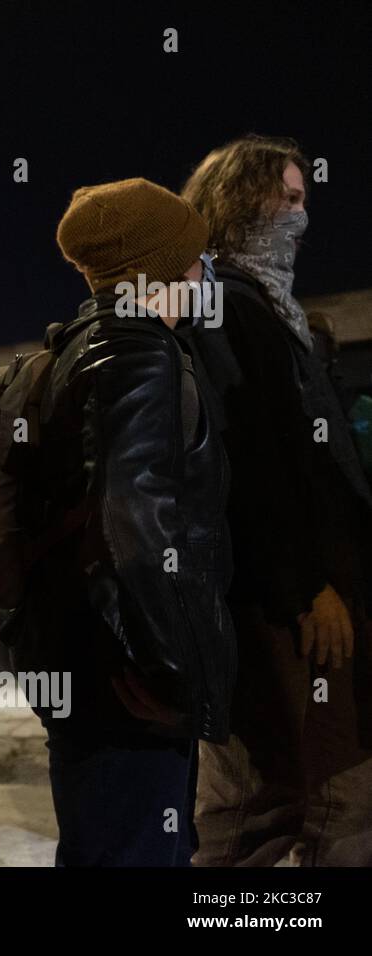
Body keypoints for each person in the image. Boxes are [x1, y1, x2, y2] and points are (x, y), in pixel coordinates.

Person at [2, 178, 235, 866]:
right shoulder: (141, 354)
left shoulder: (78, 347)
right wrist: (169, 670)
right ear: (161, 267)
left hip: (88, 673)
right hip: (127, 687)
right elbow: (131, 524)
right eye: (195, 258)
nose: (205, 273)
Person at [182, 136, 372, 865]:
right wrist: (306, 588)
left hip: (300, 601)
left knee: (297, 793)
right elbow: (255, 468)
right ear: (239, 202)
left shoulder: (266, 307)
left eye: (304, 200)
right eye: (284, 197)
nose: (299, 214)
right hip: (283, 612)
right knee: (296, 798)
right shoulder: (230, 307)